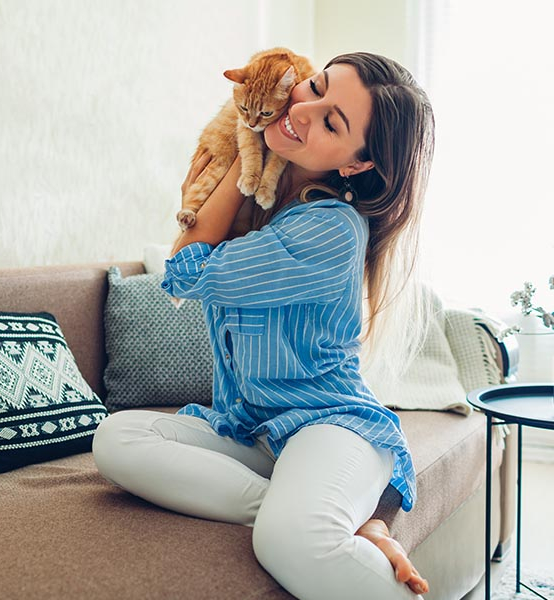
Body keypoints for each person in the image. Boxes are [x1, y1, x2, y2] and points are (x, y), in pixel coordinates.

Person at [93, 52, 435, 600]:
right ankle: (310, 506)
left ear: (355, 165)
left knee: (292, 542)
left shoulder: (330, 229)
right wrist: (248, 144)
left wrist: (238, 150)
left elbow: (184, 274)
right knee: (116, 437)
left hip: (329, 424)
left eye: (331, 122)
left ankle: (309, 512)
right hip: (249, 429)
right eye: (314, 87)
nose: (303, 110)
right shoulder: (268, 209)